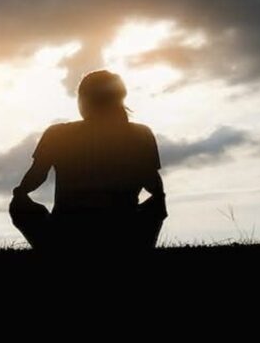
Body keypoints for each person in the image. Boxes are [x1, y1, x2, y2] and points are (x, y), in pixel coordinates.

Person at [10, 70, 167, 251]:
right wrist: (157, 199)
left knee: (19, 205)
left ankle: (52, 251)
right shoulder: (141, 134)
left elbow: (37, 174)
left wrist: (20, 193)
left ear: (83, 100)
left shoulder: (57, 134)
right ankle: (138, 248)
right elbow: (153, 184)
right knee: (158, 201)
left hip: (67, 231)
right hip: (123, 229)